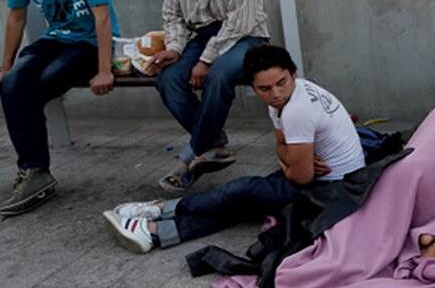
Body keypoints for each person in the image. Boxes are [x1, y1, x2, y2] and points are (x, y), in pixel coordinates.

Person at [103, 45, 365, 253]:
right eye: (265, 88)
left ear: (293, 74)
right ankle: (154, 232)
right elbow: (281, 146)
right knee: (241, 202)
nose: (276, 93)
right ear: (252, 87)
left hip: (332, 191)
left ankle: (163, 209)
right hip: (327, 182)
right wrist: (290, 161)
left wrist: (288, 167)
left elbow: (302, 177)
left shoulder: (297, 109)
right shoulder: (284, 100)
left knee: (240, 190)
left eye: (282, 82)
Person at [0, 0, 120, 215]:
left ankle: (35, 170)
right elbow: (16, 17)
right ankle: (34, 170)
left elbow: (102, 18)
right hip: (53, 40)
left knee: (42, 84)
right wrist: (5, 70)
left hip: (88, 44)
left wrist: (105, 69)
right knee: (12, 84)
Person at [148, 0, 270, 193]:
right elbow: (173, 16)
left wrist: (205, 61)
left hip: (246, 37)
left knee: (219, 75)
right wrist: (174, 49)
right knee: (168, 79)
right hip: (201, 37)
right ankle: (212, 143)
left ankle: (189, 158)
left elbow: (239, 22)